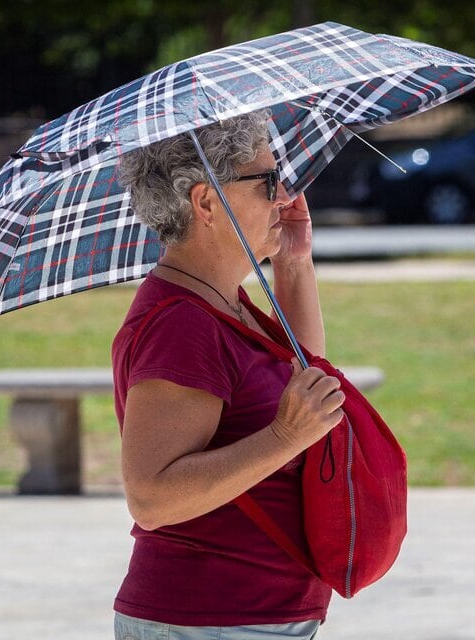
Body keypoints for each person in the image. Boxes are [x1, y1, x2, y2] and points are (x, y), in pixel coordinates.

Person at [111, 109, 346, 640]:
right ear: (207, 202)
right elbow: (152, 498)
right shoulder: (182, 325)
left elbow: (304, 381)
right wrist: (284, 437)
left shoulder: (222, 301)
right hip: (208, 619)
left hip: (244, 617)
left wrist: (294, 262)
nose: (285, 193)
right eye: (266, 181)